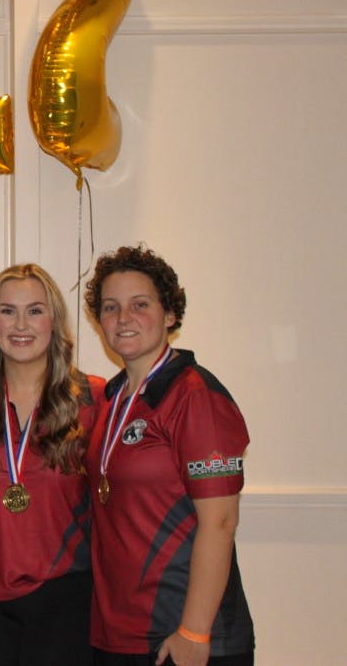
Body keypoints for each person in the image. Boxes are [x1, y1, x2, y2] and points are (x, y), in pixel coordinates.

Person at [83, 245, 254, 666]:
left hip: (183, 635)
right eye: (110, 307)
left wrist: (194, 631)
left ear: (170, 314)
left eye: (139, 305)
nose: (123, 318)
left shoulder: (196, 396)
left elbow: (221, 521)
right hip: (120, 633)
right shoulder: (114, 397)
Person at [0, 264, 104, 665]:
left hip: (65, 591)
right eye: (7, 311)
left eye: (35, 310)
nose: (21, 324)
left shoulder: (93, 398)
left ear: (54, 321)